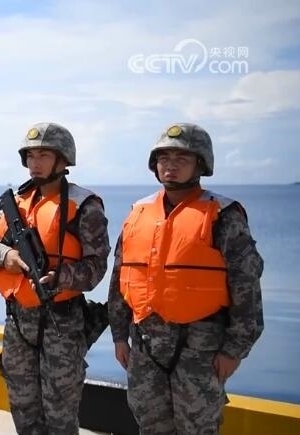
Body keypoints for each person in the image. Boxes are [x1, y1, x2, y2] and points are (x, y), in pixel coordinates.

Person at [108, 123, 264, 434]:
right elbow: (121, 278)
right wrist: (119, 335)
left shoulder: (223, 215)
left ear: (200, 164)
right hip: (145, 348)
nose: (171, 165)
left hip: (200, 352)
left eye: (182, 158)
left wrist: (234, 350)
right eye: (164, 158)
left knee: (198, 428)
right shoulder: (138, 213)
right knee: (150, 426)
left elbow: (247, 288)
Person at [0, 122, 111, 434]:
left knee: (60, 412)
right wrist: (5, 256)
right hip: (18, 321)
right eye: (31, 156)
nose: (35, 163)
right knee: (22, 406)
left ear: (63, 160)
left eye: (44, 155)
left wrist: (60, 277)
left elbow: (96, 268)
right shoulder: (15, 203)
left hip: (62, 322)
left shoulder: (84, 205)